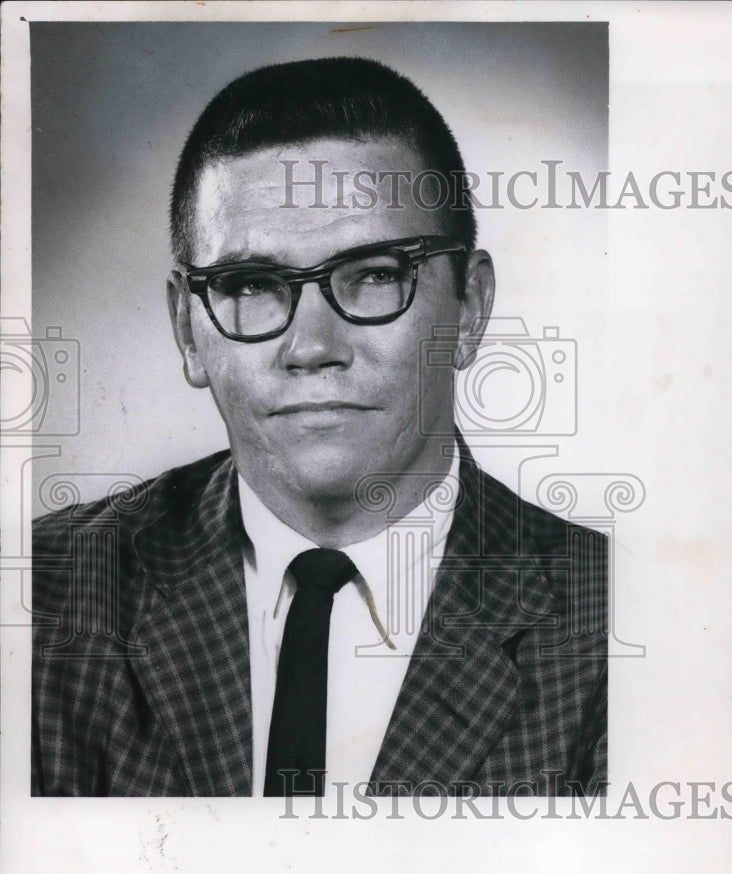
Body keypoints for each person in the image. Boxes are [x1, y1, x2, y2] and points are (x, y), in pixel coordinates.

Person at [32, 57, 607, 798]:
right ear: (186, 329)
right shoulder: (40, 600)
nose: (311, 346)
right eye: (250, 285)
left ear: (469, 308)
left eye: (374, 274)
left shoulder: (622, 634)